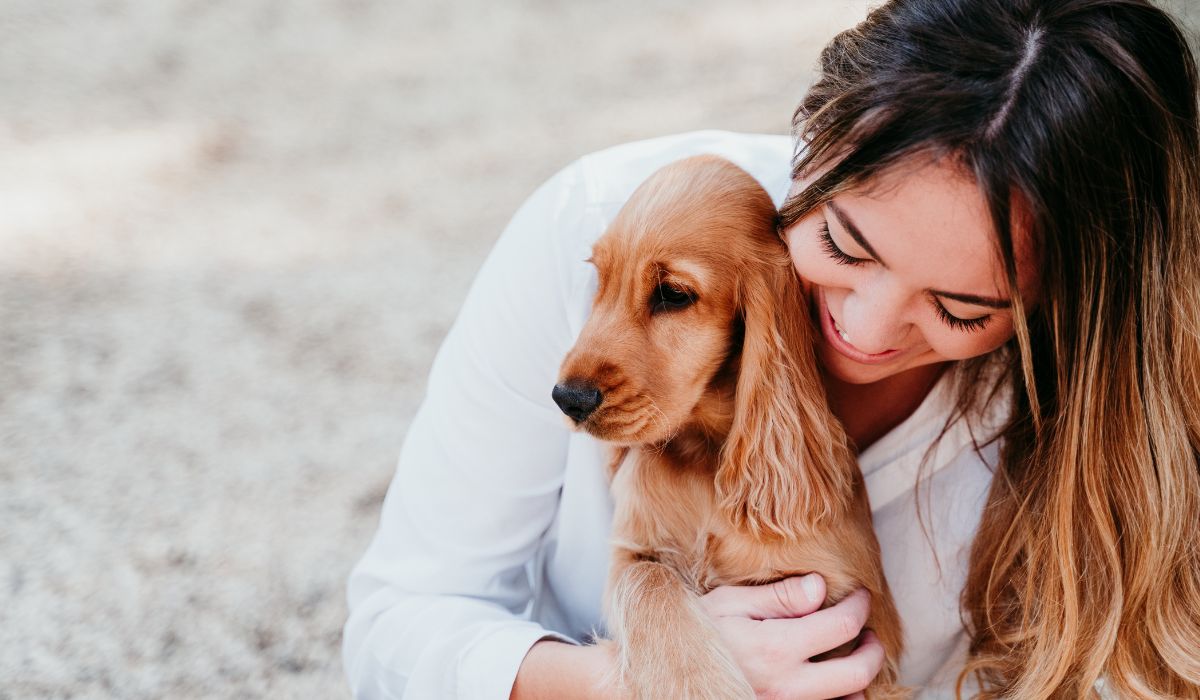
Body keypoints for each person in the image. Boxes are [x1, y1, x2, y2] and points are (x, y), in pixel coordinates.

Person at [343, 0, 1200, 697]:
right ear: (814, 141)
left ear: (1055, 303)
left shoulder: (1088, 384)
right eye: (845, 246)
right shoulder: (595, 226)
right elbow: (401, 622)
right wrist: (637, 677)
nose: (865, 331)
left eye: (960, 308)